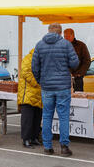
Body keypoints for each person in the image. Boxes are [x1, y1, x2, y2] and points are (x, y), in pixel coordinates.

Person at [32, 23, 79, 156]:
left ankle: (47, 146)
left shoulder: (40, 45)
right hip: (63, 86)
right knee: (63, 117)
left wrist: (40, 81)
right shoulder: (66, 44)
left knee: (47, 116)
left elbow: (34, 67)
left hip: (46, 86)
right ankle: (64, 147)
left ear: (48, 31)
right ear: (60, 32)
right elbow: (75, 63)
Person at [17, 48, 42, 149]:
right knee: (28, 118)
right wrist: (38, 83)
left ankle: (34, 137)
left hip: (38, 94)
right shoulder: (28, 58)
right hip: (28, 93)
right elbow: (26, 73)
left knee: (37, 117)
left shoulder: (41, 60)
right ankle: (26, 139)